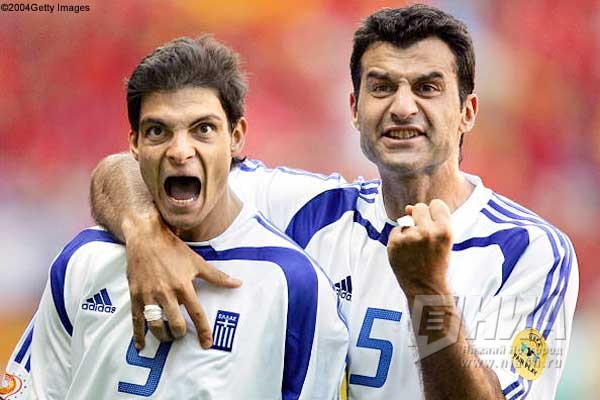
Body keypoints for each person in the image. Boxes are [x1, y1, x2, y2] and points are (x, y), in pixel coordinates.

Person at [85, 4, 578, 400]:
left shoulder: (528, 251)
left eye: (427, 88)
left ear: (467, 111)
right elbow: (125, 169)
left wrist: (426, 290)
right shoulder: (308, 211)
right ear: (355, 109)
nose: (402, 107)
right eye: (381, 87)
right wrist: (144, 233)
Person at [1, 36, 347, 400]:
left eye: (203, 129)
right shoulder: (84, 260)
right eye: (157, 131)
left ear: (236, 137)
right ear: (134, 144)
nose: (180, 151)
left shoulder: (293, 287)